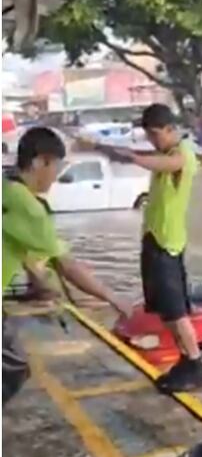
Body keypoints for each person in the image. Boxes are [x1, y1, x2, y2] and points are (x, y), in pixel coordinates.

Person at [79, 104, 202, 392]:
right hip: (154, 241)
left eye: (155, 134)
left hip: (167, 245)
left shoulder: (181, 156)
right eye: (147, 134)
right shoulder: (164, 153)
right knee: (165, 311)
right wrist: (103, 148)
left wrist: (120, 153)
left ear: (170, 129)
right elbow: (141, 159)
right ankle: (185, 360)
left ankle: (196, 363)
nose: (151, 139)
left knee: (176, 311)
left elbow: (145, 161)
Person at [3, 127, 130, 403]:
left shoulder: (6, 188)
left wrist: (45, 288)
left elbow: (22, 252)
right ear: (41, 162)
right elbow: (67, 266)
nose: (55, 176)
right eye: (56, 166)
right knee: (12, 370)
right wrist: (115, 298)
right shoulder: (30, 208)